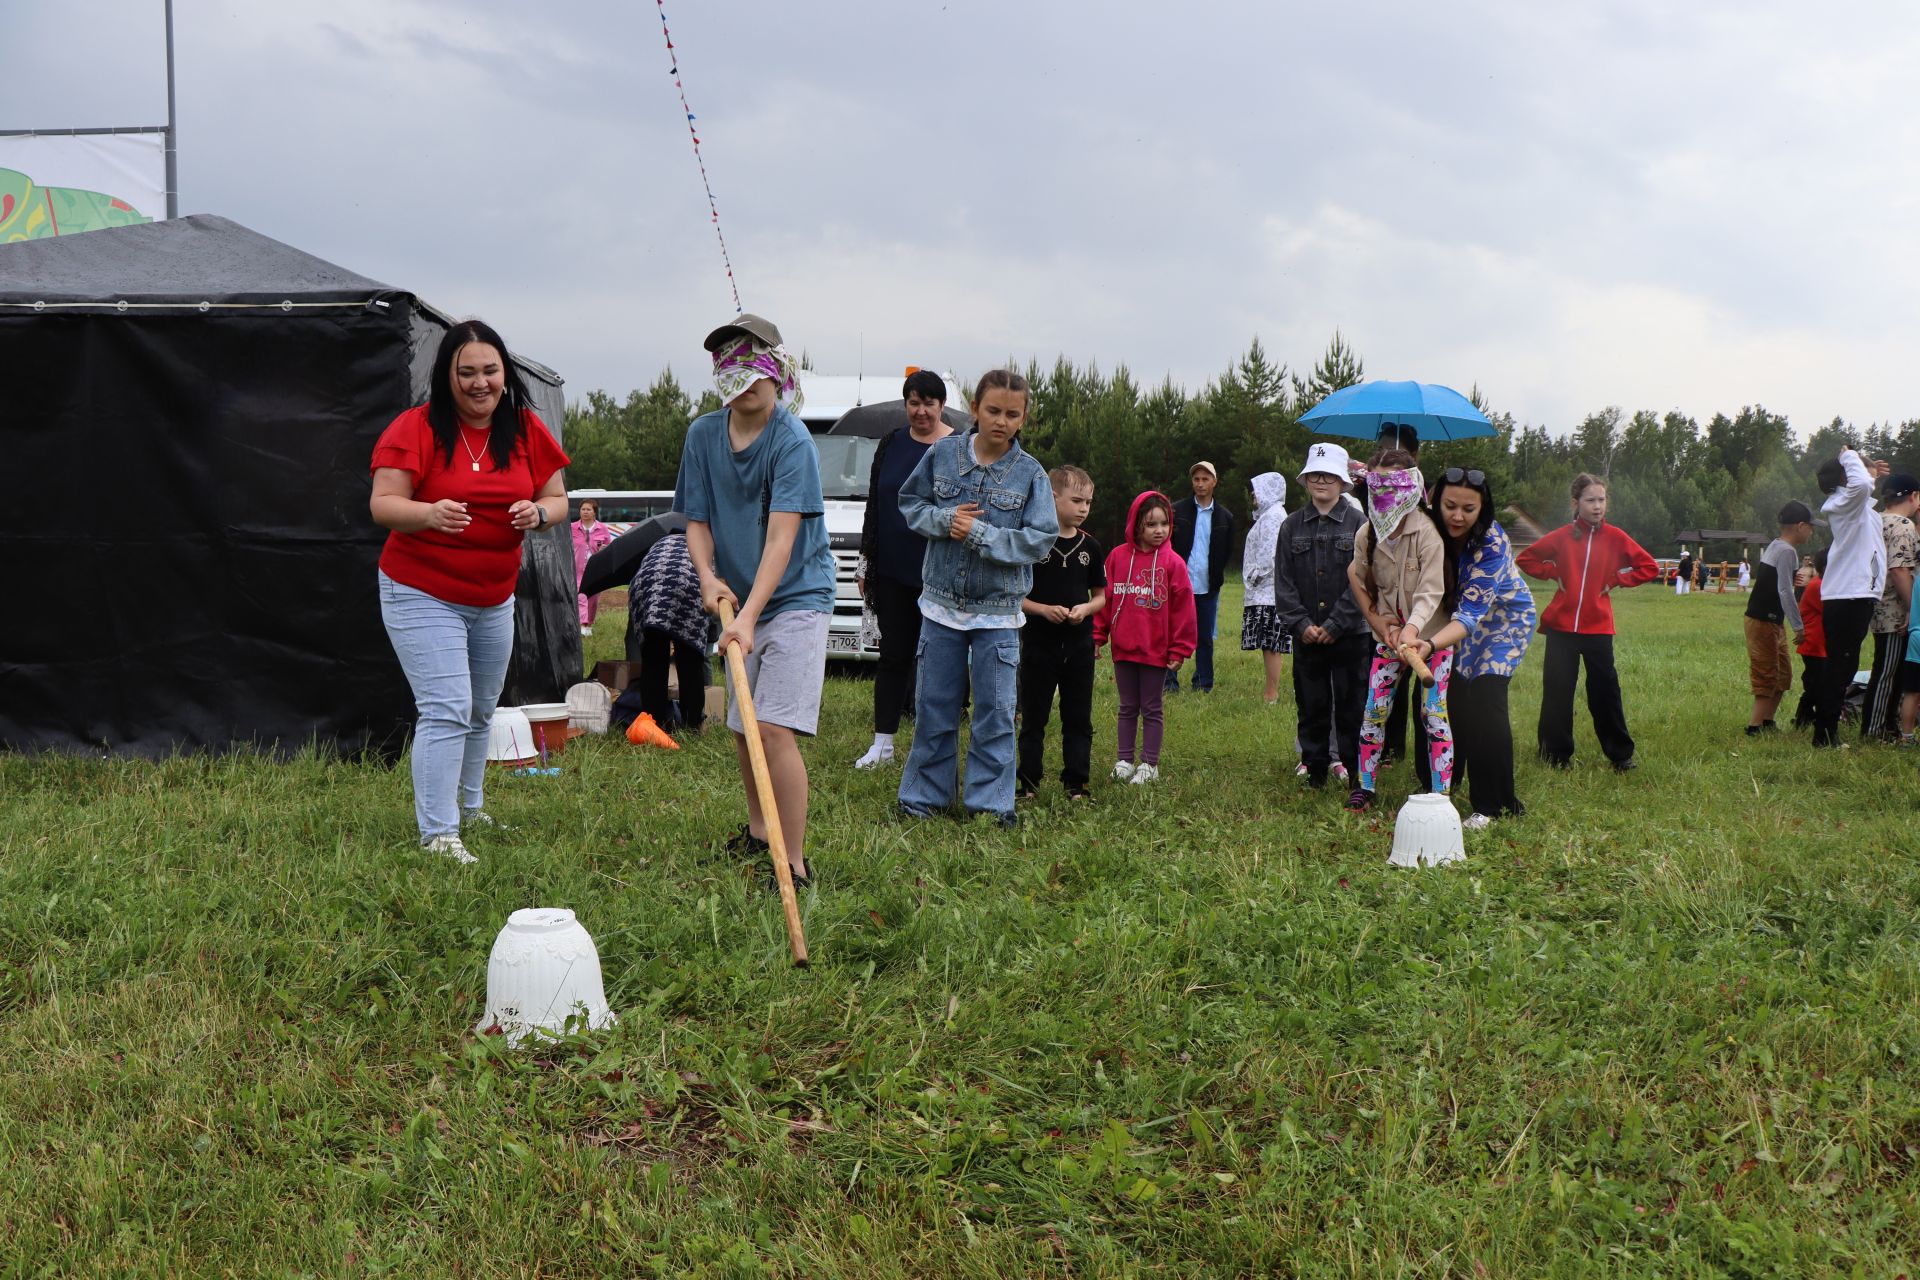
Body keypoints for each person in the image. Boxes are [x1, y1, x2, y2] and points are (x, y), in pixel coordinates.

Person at [369, 319, 570, 864]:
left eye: (490, 370)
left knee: (482, 708)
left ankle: (471, 808)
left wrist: (540, 512)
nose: (480, 383)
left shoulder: (524, 428)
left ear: (505, 373)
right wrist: (427, 513)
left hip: (492, 595)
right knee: (447, 708)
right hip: (421, 590)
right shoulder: (415, 427)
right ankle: (438, 834)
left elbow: (559, 500)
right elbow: (383, 504)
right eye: (467, 372)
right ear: (446, 375)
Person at [674, 312, 836, 888]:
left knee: (771, 727)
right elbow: (696, 520)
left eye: (755, 366)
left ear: (778, 370)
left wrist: (746, 617)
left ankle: (793, 865)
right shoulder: (702, 436)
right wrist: (707, 577)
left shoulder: (792, 442)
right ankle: (758, 833)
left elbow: (781, 539)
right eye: (731, 369)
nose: (744, 382)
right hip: (738, 597)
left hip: (795, 596)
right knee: (742, 728)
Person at [896, 370, 1058, 824]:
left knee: (995, 715)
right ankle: (924, 800)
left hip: (999, 616)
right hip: (941, 609)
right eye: (993, 410)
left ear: (1024, 417)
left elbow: (1041, 539)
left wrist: (982, 533)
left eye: (1012, 413)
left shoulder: (1031, 475)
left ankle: (989, 807)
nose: (1001, 421)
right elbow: (911, 504)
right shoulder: (941, 455)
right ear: (974, 408)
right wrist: (947, 520)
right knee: (933, 708)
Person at [1413, 468, 1535, 828]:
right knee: (1445, 700)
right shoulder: (1428, 530)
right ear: (1436, 501)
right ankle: (1439, 786)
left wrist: (1429, 643)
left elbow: (1470, 618)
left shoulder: (1492, 544)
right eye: (1450, 505)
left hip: (1501, 624)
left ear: (1483, 509)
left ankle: (1494, 804)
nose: (1458, 516)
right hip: (1449, 623)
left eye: (1469, 509)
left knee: (1484, 700)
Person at [1516, 473, 1660, 770]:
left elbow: (1649, 567)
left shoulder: (1617, 537)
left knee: (1605, 692)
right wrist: (1555, 573)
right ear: (1576, 503)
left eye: (1602, 500)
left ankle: (1620, 755)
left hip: (1598, 629)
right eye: (1590, 500)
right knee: (1557, 692)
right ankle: (1555, 755)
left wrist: (1618, 579)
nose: (1597, 506)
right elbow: (1526, 559)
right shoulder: (1561, 536)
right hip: (1561, 629)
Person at [852, 370, 957, 769]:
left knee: (938, 661)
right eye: (914, 403)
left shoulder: (958, 447)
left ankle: (932, 744)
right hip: (893, 569)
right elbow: (874, 507)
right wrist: (866, 562)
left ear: (941, 406)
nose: (921, 411)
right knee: (893, 656)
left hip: (942, 573)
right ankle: (883, 743)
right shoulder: (891, 443)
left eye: (929, 403)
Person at [1344, 452, 1453, 813]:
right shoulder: (1366, 533)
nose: (1386, 492)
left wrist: (1412, 629)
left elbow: (1430, 592)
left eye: (1395, 483)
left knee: (1433, 715)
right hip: (1388, 642)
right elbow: (1358, 580)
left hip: (1430, 639)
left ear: (1412, 486)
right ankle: (1365, 786)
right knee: (1374, 710)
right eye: (1378, 483)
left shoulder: (1427, 533)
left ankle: (1441, 795)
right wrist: (1382, 625)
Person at [1272, 442, 1369, 790]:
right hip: (1307, 636)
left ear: (1343, 481)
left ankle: (1353, 769)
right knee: (1311, 703)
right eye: (1315, 474)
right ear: (1306, 479)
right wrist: (1301, 624)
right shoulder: (1291, 526)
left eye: (1329, 475)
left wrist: (1335, 623)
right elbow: (1282, 582)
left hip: (1351, 635)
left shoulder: (1360, 524)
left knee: (1351, 705)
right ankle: (1314, 769)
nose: (1321, 480)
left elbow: (1364, 578)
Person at [1094, 491, 1197, 784]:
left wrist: (1180, 648)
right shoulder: (1117, 557)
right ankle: (1125, 759)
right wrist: (1097, 635)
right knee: (1127, 706)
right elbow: (1106, 598)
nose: (1159, 530)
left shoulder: (1173, 563)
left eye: (1164, 524)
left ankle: (1150, 764)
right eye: (1151, 524)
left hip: (1156, 651)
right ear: (1136, 524)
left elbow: (1184, 608)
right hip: (1124, 649)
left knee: (1151, 707)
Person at [1016, 466, 1106, 800]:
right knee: (1034, 716)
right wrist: (1041, 610)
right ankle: (1028, 782)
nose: (1083, 508)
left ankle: (1076, 783)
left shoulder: (1091, 547)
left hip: (1079, 646)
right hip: (1039, 644)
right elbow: (1016, 597)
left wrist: (1084, 610)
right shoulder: (1033, 543)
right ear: (1053, 498)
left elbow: (1100, 595)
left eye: (1088, 502)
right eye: (1077, 500)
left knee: (1078, 715)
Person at [1810, 446, 1888, 749]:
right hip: (1848, 597)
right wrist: (1847, 454)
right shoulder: (1843, 502)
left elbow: (1864, 488)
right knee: (1840, 667)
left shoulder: (1853, 506)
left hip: (1854, 595)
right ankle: (1824, 734)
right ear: (1845, 476)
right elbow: (1860, 486)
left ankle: (1825, 728)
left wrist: (1868, 470)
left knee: (1845, 665)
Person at [626, 525, 711, 732]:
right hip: (688, 586)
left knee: (654, 660)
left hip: (646, 588)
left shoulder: (657, 546)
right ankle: (691, 725)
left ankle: (653, 724)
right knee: (689, 659)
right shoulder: (705, 545)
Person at [1743, 501, 1815, 736]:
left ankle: (1767, 722)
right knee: (1767, 673)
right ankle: (1754, 727)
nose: (1812, 531)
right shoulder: (1786, 551)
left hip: (1772, 620)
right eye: (1810, 527)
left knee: (1783, 673)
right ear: (1800, 526)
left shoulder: (1777, 546)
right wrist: (1798, 626)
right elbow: (1784, 591)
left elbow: (1778, 581)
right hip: (1764, 619)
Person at [1167, 461, 1235, 692]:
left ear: (1214, 482)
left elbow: (1226, 551)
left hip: (1207, 586)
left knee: (1204, 637)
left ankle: (1203, 682)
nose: (1200, 484)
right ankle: (1169, 682)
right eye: (1196, 479)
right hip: (1178, 584)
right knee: (1172, 633)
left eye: (1205, 479)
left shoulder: (1225, 517)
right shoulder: (1176, 511)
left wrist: (1216, 575)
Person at [1860, 474, 1918, 741]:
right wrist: (1912, 608)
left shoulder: (1874, 520)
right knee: (1887, 672)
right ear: (1913, 496)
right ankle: (1873, 731)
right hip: (1895, 609)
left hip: (1873, 603)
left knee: (1888, 669)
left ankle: (1888, 726)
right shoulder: (1903, 525)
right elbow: (1900, 571)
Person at [1239, 472, 1291, 704]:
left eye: (1257, 491)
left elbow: (1270, 555)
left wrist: (1253, 577)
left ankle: (1272, 693)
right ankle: (1270, 689)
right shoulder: (1268, 515)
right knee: (1267, 643)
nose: (1253, 496)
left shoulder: (1272, 516)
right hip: (1264, 591)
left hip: (1268, 592)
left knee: (1271, 643)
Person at [1791, 548, 1828, 730]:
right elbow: (1829, 611)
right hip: (1814, 643)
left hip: (1819, 644)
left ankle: (1805, 716)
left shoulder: (1820, 583)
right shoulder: (1819, 585)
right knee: (1816, 685)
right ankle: (1803, 716)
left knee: (1818, 683)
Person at [571, 499, 615, 636]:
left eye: (588, 509)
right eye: (583, 509)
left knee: (593, 599)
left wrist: (604, 548)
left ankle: (589, 624)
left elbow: (609, 548)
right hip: (577, 569)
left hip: (595, 569)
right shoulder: (572, 527)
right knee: (581, 595)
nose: (585, 512)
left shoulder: (602, 529)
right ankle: (582, 624)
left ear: (594, 512)